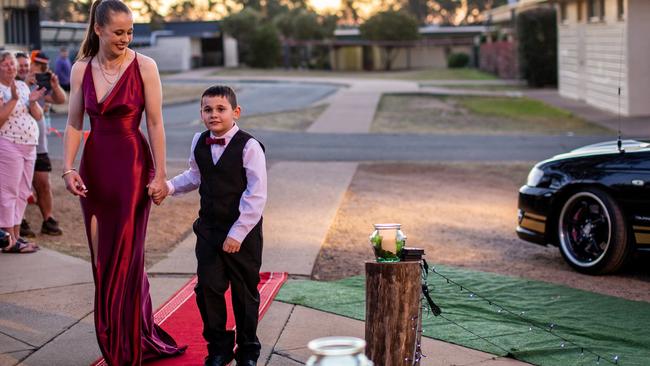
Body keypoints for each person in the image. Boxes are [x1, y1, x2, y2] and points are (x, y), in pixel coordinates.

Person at [61, 1, 185, 364]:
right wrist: (68, 168)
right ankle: (122, 330)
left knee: (127, 258)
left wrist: (160, 174)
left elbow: (156, 124)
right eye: (118, 32)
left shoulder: (145, 67)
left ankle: (124, 345)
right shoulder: (82, 68)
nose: (126, 38)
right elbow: (73, 123)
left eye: (130, 32)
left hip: (133, 169)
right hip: (95, 168)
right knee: (103, 261)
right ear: (98, 29)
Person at [162, 85, 267, 366]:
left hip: (242, 234)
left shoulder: (249, 146)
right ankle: (219, 348)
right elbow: (194, 176)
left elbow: (256, 196)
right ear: (201, 113)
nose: (214, 115)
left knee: (245, 293)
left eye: (221, 109)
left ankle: (248, 349)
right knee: (208, 288)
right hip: (208, 230)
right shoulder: (199, 141)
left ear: (236, 112)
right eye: (208, 109)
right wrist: (169, 187)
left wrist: (238, 233)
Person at [16, 51, 67, 237]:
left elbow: (60, 100)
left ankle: (48, 219)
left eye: (26, 64)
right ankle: (19, 221)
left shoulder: (37, 84)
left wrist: (55, 85)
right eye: (19, 65)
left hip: (40, 146)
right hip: (18, 145)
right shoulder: (12, 86)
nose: (24, 68)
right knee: (20, 186)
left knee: (43, 184)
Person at [0, 51, 46, 254]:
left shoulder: (21, 85)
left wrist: (33, 101)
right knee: (8, 193)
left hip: (29, 144)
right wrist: (14, 100)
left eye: (12, 64)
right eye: (6, 64)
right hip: (9, 144)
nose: (11, 67)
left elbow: (37, 116)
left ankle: (17, 236)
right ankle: (7, 239)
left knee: (23, 192)